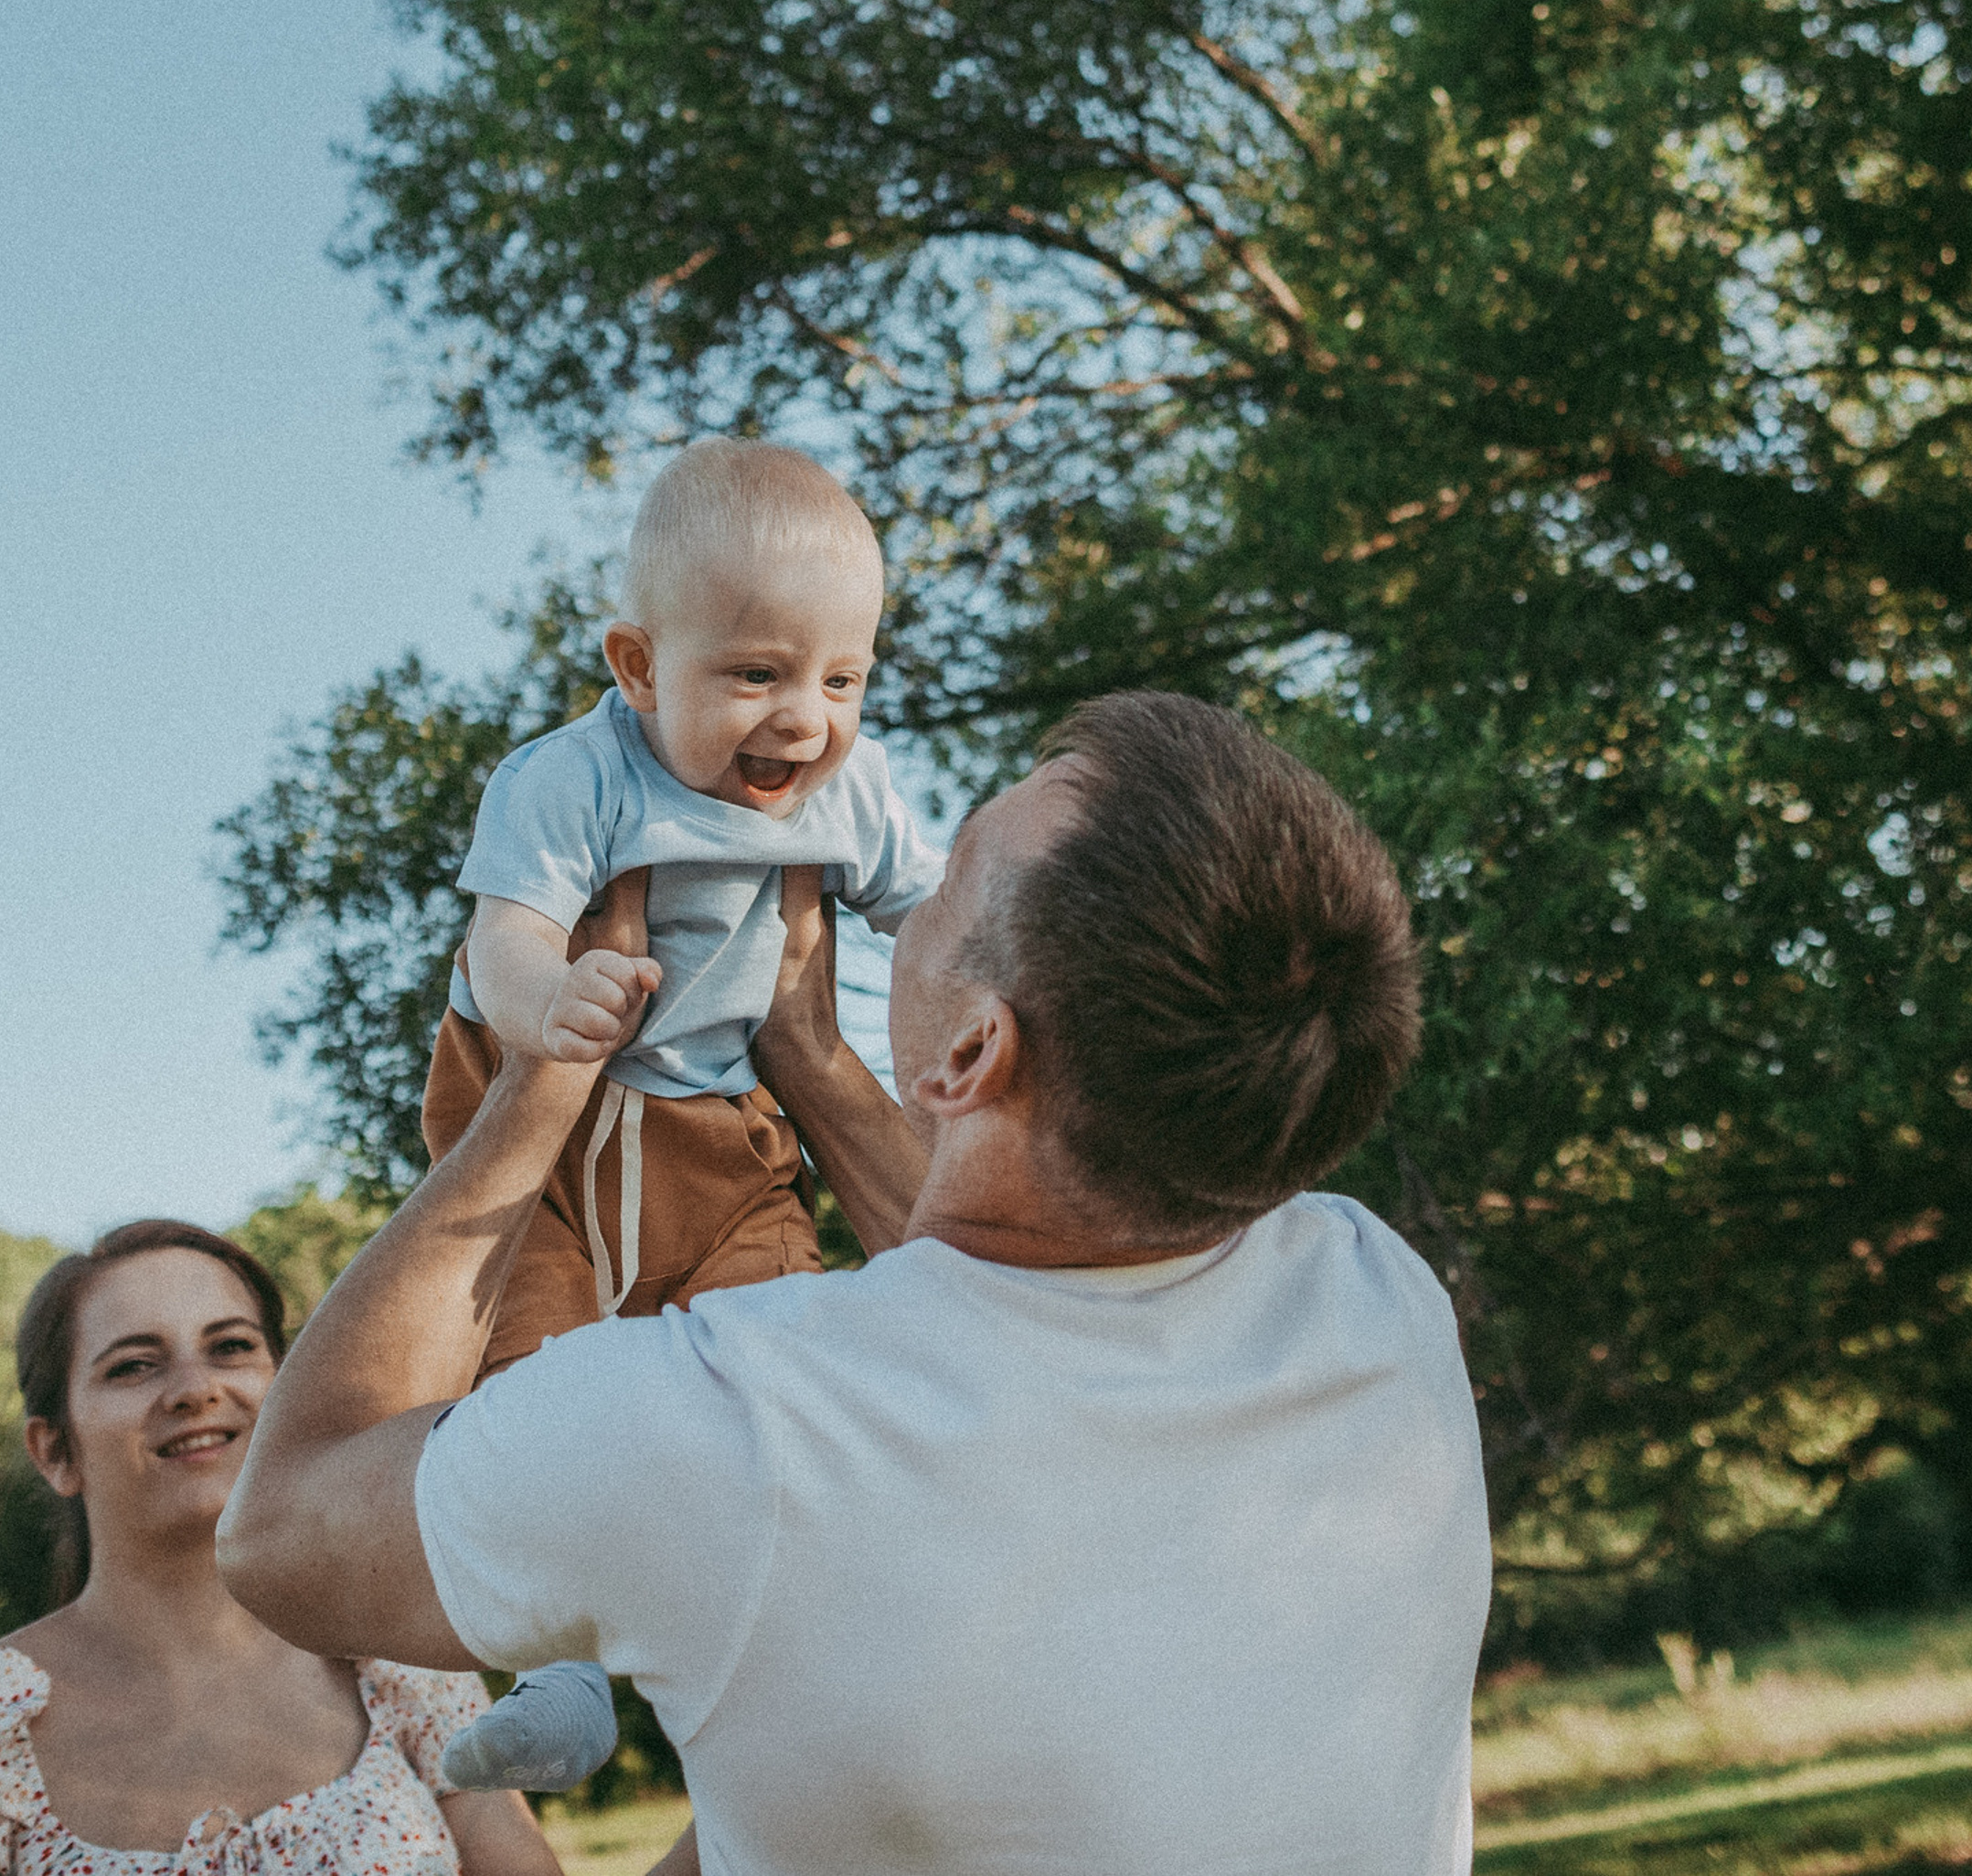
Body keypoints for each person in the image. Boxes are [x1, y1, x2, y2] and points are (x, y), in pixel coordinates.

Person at [220, 693, 1496, 1875]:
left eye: (956, 873)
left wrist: (539, 1081)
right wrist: (817, 1061)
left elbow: (284, 1530)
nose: (911, 889)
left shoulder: (733, 1425)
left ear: (978, 1051)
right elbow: (1006, 1289)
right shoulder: (1378, 1301)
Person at [422, 438, 943, 1790]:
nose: (803, 720)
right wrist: (555, 1003)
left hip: (724, 1137)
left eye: (843, 678)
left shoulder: (853, 790)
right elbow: (506, 935)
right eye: (757, 673)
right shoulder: (575, 776)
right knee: (538, 1374)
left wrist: (985, 1016)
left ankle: (812, 1647)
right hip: (554, 1140)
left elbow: (940, 920)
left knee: (784, 1351)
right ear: (640, 667)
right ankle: (563, 1676)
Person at [1, 1220, 553, 1876]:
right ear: (55, 1452)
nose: (195, 1389)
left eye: (231, 1347)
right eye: (133, 1365)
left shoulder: (400, 1669)